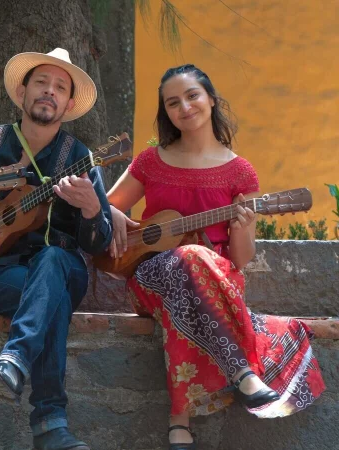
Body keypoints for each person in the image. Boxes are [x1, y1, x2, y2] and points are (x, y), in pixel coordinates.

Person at [105, 64, 325, 449]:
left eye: (192, 96)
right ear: (166, 113)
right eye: (173, 103)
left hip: (216, 281)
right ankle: (242, 372)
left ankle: (180, 423)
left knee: (191, 267)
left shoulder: (239, 171)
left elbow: (239, 260)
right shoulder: (150, 161)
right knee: (186, 260)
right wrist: (131, 228)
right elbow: (107, 211)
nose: (184, 107)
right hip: (150, 276)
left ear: (210, 99)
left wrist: (241, 225)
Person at [0, 48, 112, 450]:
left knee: (53, 262)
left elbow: (101, 242)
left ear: (69, 104)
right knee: (47, 301)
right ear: (22, 91)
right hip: (3, 272)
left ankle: (15, 360)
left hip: (64, 265)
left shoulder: (81, 158)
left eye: (59, 87)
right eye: (41, 83)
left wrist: (91, 209)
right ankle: (50, 426)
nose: (49, 92)